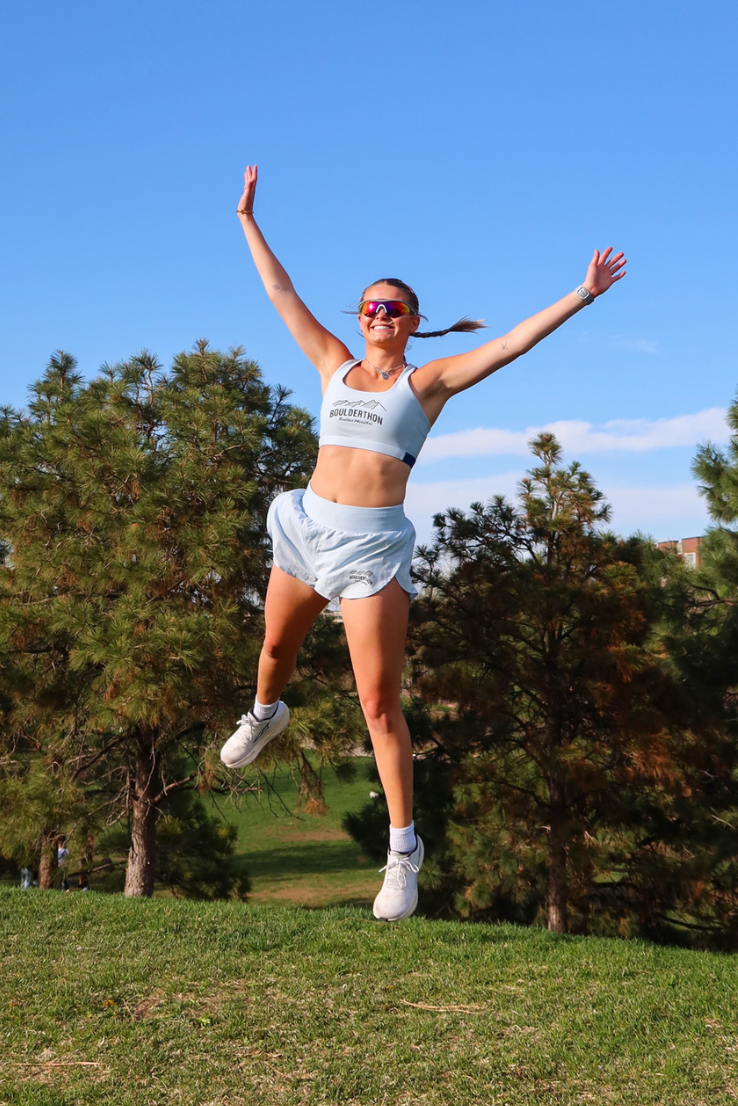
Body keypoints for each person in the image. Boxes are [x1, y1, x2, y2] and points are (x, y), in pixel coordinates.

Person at [219, 166, 626, 921]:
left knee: (378, 705)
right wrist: (247, 218)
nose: (379, 314)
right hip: (307, 528)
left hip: (371, 549)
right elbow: (281, 295)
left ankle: (403, 851)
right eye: (372, 304)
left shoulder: (427, 382)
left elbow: (506, 346)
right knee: (273, 657)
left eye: (394, 308)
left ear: (411, 322)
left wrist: (582, 294)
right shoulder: (332, 364)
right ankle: (265, 715)